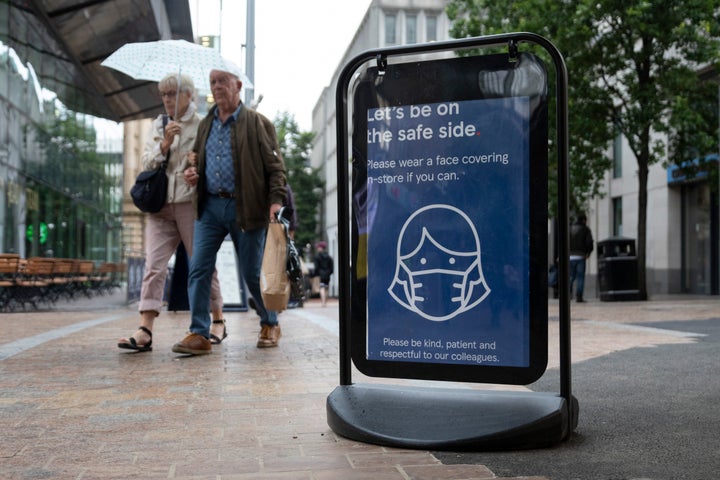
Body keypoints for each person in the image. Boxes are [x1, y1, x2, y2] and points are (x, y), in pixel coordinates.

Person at [173, 67, 287, 355]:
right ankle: (199, 332)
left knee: (251, 273)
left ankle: (270, 322)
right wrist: (192, 173)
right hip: (210, 206)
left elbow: (276, 168)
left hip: (247, 207)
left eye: (223, 81)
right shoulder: (206, 124)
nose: (217, 86)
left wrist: (275, 202)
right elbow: (195, 162)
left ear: (237, 85)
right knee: (198, 267)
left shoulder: (258, 123)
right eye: (212, 82)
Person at [118, 73, 226, 352]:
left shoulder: (204, 124)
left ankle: (217, 320)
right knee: (153, 266)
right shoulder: (160, 124)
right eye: (164, 95)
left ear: (189, 96)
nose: (167, 100)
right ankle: (145, 329)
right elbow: (146, 162)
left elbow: (213, 163)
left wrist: (196, 171)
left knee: (202, 266)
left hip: (190, 205)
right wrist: (165, 143)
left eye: (172, 94)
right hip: (160, 206)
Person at [569, 213, 594, 302]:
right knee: (580, 277)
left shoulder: (569, 229)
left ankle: (567, 294)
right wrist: (588, 252)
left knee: (570, 276)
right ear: (584, 220)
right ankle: (579, 297)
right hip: (580, 256)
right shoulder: (585, 229)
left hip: (570, 256)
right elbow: (589, 242)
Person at [313, 241, 333, 307]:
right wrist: (330, 272)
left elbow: (316, 267)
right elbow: (331, 267)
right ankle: (325, 302)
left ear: (321, 248)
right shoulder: (329, 257)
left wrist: (316, 274)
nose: (317, 248)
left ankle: (323, 302)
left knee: (322, 287)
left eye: (318, 247)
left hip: (320, 274)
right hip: (327, 274)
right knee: (326, 287)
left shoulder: (317, 257)